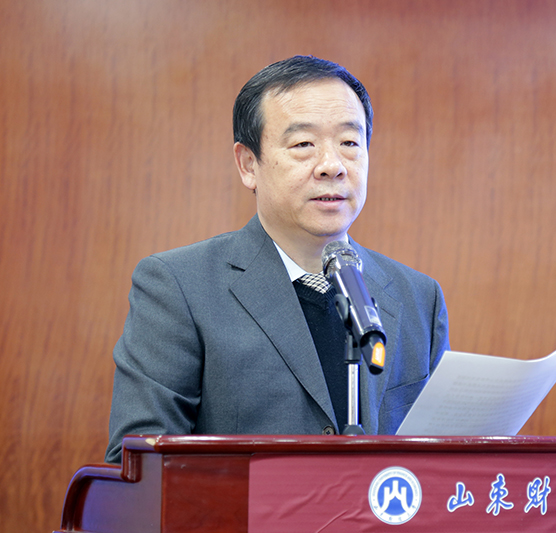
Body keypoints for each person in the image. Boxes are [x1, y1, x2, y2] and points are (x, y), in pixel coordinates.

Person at [105, 56, 450, 463]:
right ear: (248, 164)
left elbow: (445, 467)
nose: (332, 166)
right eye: (304, 145)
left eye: (350, 143)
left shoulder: (418, 298)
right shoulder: (178, 287)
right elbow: (139, 464)